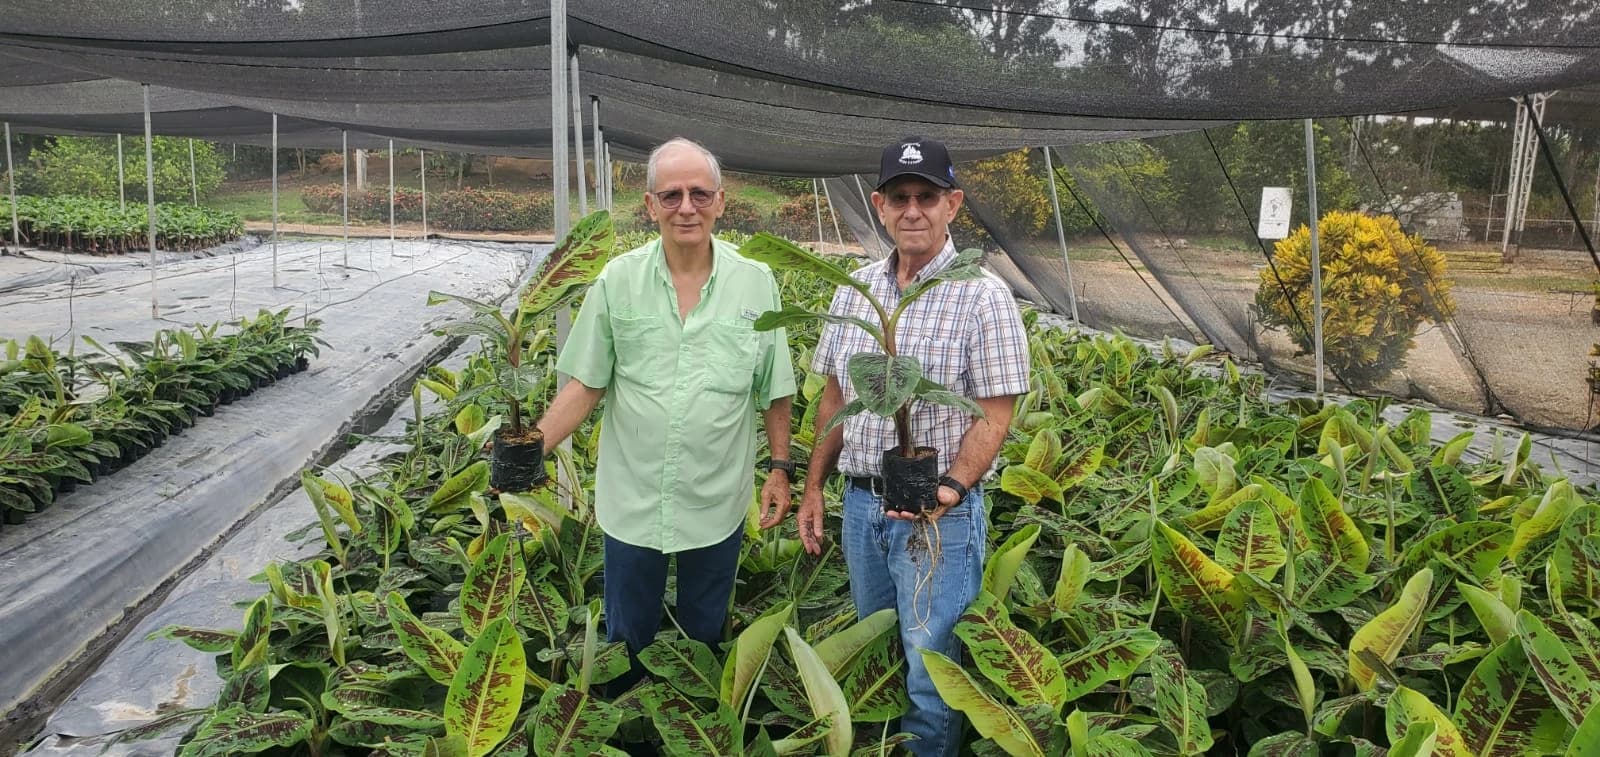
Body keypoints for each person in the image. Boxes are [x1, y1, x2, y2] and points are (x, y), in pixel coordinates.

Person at [535, 137, 797, 692]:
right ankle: (627, 729)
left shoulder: (756, 284)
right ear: (650, 205)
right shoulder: (617, 281)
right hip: (633, 498)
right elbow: (585, 383)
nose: (687, 207)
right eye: (672, 194)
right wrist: (530, 448)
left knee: (704, 634)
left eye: (700, 194)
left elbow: (775, 389)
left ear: (721, 202)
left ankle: (690, 726)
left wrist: (780, 468)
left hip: (714, 497)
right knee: (626, 638)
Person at [797, 136, 1030, 756]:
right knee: (877, 656)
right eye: (899, 197)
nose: (913, 210)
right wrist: (814, 485)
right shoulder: (855, 288)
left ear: (952, 204)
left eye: (927, 197)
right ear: (879, 205)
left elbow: (994, 413)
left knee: (932, 673)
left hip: (937, 520)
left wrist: (951, 489)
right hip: (863, 507)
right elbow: (834, 397)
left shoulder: (982, 294)